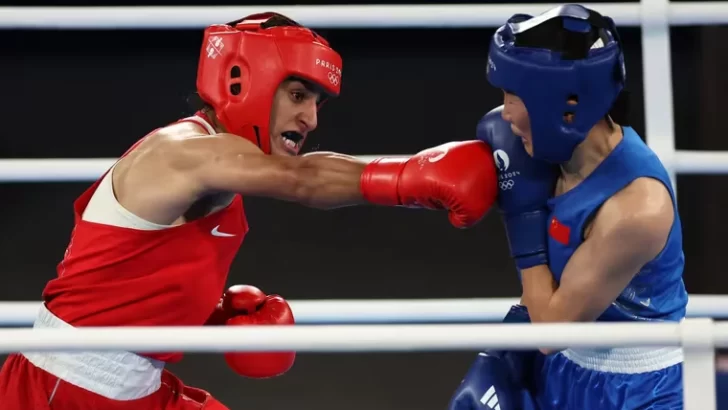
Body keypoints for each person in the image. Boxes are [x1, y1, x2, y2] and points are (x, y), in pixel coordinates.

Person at [0, 12, 499, 410]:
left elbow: (126, 279)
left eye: (318, 103)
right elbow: (302, 179)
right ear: (242, 79)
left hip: (131, 386)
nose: (310, 117)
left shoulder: (223, 168)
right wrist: (414, 175)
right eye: (299, 95)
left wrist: (214, 317)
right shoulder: (185, 152)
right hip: (62, 388)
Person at [448, 4, 686, 410]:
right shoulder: (557, 154)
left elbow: (551, 330)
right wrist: (503, 354)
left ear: (561, 106)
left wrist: (521, 214)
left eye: (512, 96)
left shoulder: (635, 208)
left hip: (636, 390)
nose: (504, 113)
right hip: (564, 365)